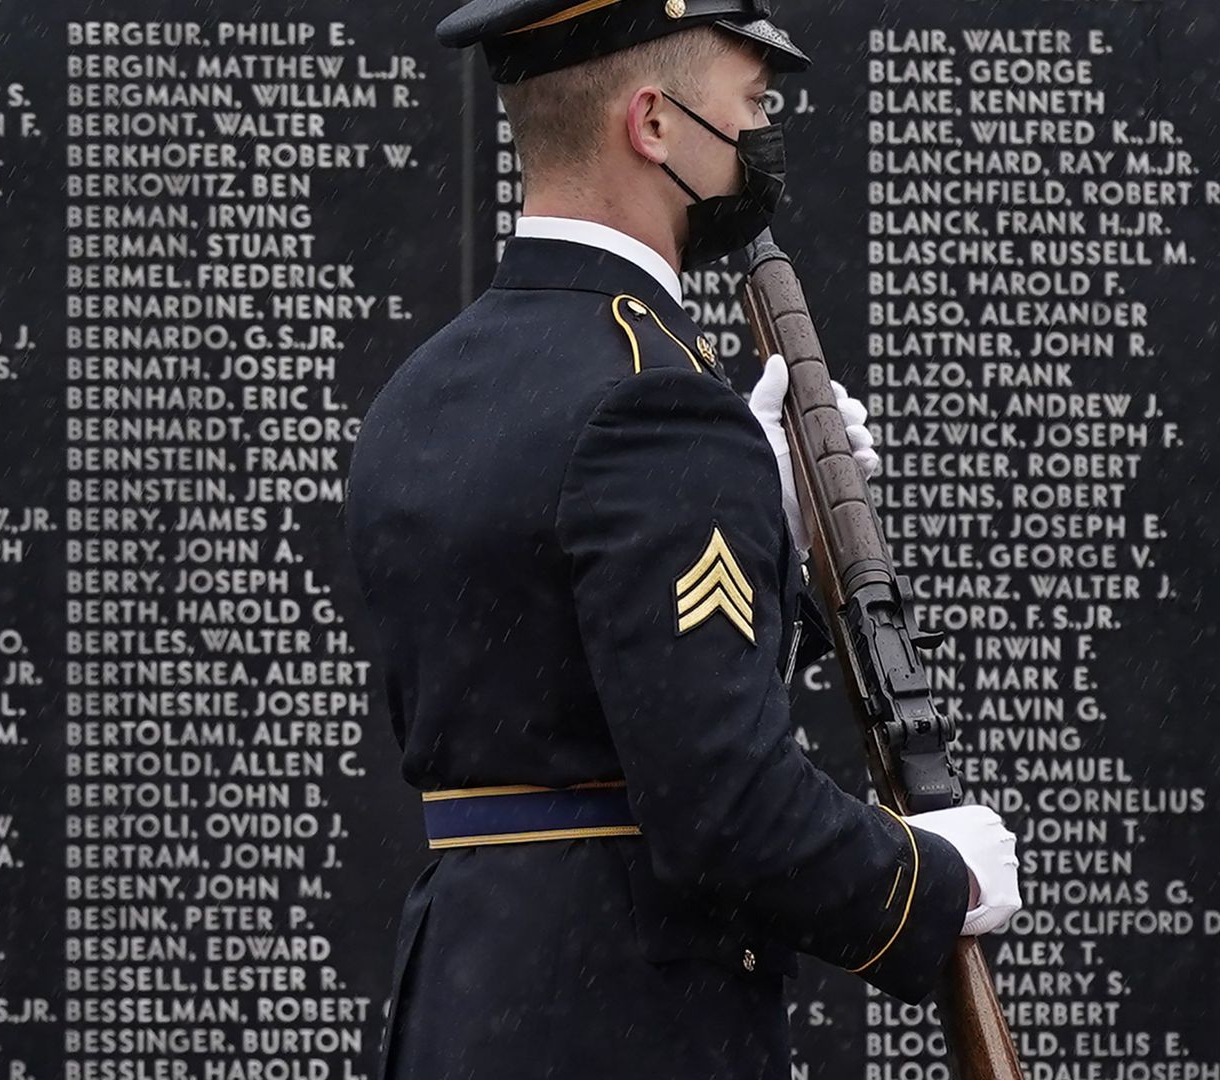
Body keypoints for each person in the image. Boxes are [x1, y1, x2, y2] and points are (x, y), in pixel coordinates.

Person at [341, 2, 1023, 1077]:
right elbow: (722, 806)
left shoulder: (423, 393)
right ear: (653, 123)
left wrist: (754, 519)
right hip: (627, 1024)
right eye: (749, 103)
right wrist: (933, 879)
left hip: (465, 1006)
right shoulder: (655, 400)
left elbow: (569, 697)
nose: (763, 132)